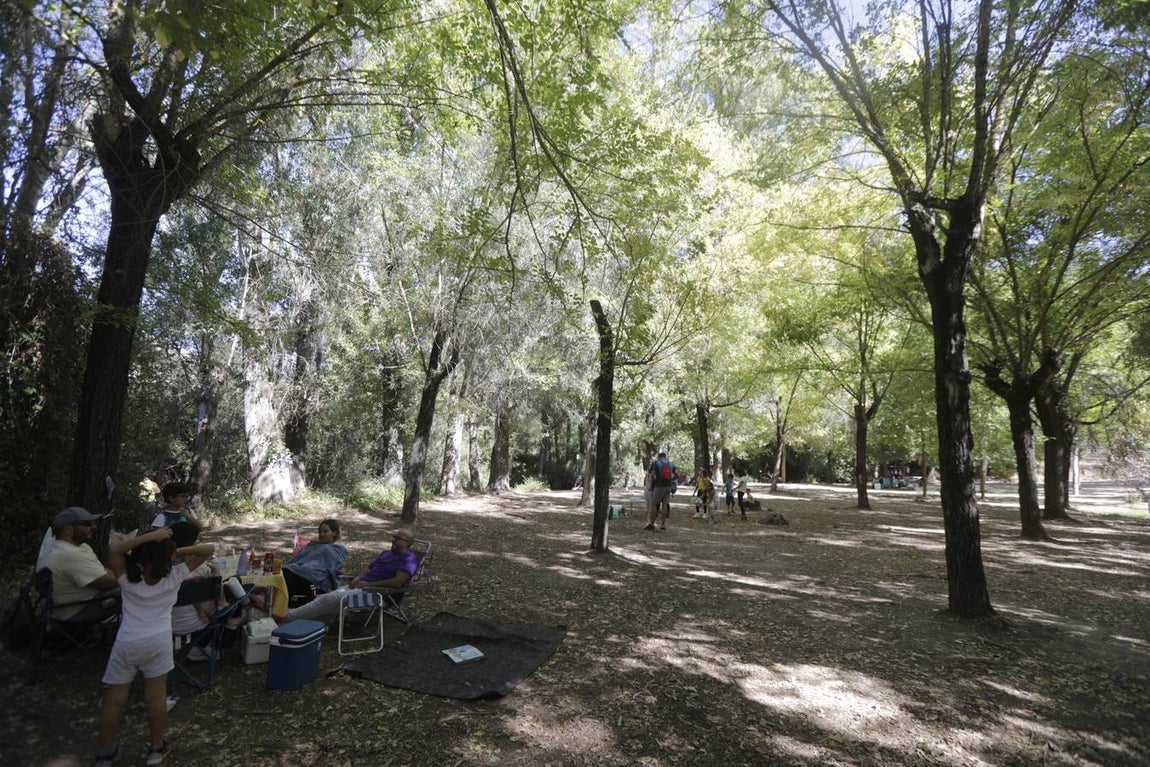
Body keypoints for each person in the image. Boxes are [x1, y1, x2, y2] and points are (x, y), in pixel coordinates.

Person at [93, 526, 214, 767]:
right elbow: (208, 550)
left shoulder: (126, 576)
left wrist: (149, 540)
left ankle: (106, 754)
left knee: (114, 701)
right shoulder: (175, 575)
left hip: (127, 641)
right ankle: (156, 750)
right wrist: (173, 551)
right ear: (167, 557)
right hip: (158, 641)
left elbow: (115, 551)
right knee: (156, 697)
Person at [279, 529, 418, 622]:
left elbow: (398, 582)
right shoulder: (386, 553)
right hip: (362, 586)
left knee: (328, 600)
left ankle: (286, 617)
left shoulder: (408, 559)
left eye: (397, 538)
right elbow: (367, 568)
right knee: (323, 598)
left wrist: (368, 584)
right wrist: (358, 577)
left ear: (408, 543)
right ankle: (293, 616)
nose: (392, 540)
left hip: (380, 595)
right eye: (393, 537)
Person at [42, 507, 120, 622]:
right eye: (87, 524)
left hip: (69, 607)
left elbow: (105, 574)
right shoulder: (70, 554)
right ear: (68, 529)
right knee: (132, 589)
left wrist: (112, 575)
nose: (94, 527)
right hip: (73, 613)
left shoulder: (65, 548)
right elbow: (108, 582)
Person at [282, 519, 348, 603]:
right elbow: (299, 559)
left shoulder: (337, 550)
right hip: (301, 571)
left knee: (288, 575)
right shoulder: (313, 546)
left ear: (334, 533)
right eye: (320, 532)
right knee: (284, 572)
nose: (321, 534)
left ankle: (283, 606)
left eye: (325, 531)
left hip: (318, 581)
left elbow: (332, 566)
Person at [645, 452, 676, 531]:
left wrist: (650, 478)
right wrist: (670, 479)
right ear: (665, 457)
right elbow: (678, 475)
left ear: (659, 457)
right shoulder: (671, 464)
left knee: (654, 504)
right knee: (665, 505)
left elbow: (652, 475)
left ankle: (651, 524)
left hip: (659, 486)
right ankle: (663, 524)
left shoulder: (656, 463)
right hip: (668, 487)